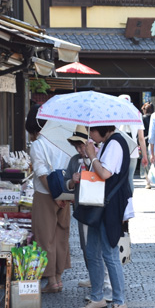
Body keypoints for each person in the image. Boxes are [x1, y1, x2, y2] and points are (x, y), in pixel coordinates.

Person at [71, 124, 131, 308]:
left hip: (110, 205)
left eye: (93, 132)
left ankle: (119, 302)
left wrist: (93, 156)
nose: (91, 136)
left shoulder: (115, 143)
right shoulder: (107, 143)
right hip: (101, 204)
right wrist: (92, 157)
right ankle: (97, 298)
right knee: (92, 250)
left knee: (109, 252)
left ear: (103, 129)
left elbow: (105, 173)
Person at [26, 113, 72, 293]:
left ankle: (52, 281)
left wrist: (55, 195)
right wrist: (62, 195)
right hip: (65, 193)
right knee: (61, 235)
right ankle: (58, 278)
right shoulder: (64, 140)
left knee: (45, 238)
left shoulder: (38, 144)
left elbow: (42, 173)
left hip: (46, 194)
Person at [65, 125, 112, 298]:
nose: (79, 150)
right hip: (81, 208)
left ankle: (106, 284)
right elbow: (66, 183)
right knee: (87, 247)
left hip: (99, 208)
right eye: (76, 147)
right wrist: (72, 181)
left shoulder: (99, 156)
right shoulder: (74, 161)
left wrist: (92, 161)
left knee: (101, 246)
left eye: (81, 145)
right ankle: (95, 278)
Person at [140, 102, 155, 188]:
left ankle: (148, 181)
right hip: (154, 142)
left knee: (146, 161)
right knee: (154, 160)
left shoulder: (143, 118)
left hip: (145, 141)